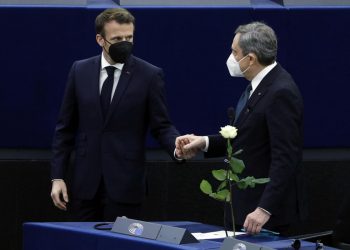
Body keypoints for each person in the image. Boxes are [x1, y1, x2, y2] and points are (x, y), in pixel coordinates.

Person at [176, 22, 306, 236]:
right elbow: (245, 136)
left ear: (251, 58)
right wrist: (204, 143)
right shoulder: (260, 86)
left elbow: (286, 158)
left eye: (235, 52)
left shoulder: (280, 92)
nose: (231, 57)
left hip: (265, 217)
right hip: (244, 208)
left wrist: (264, 209)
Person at [50, 8, 180, 221]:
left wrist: (177, 146)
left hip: (125, 186)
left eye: (129, 37)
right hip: (84, 187)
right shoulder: (79, 70)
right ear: (100, 39)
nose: (125, 42)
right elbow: (65, 129)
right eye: (117, 38)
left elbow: (162, 126)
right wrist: (57, 177)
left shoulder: (149, 75)